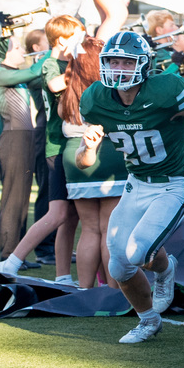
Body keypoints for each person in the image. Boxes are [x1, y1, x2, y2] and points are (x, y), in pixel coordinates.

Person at [78, 30, 184, 344]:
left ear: (144, 65)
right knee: (119, 266)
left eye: (127, 62)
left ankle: (166, 268)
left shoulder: (164, 90)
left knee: (139, 252)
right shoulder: (96, 98)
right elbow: (83, 162)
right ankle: (148, 320)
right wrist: (87, 148)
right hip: (136, 185)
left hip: (173, 185)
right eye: (113, 61)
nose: (118, 68)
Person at [59, 36, 127, 288]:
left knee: (88, 229)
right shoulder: (107, 90)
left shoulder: (68, 89)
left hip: (73, 159)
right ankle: (113, 291)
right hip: (107, 154)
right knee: (109, 229)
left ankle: (85, 290)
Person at [0, 32, 48, 263]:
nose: (23, 51)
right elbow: (35, 71)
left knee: (23, 200)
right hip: (13, 140)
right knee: (13, 200)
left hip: (25, 139)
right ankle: (8, 255)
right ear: (5, 52)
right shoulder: (3, 74)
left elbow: (40, 77)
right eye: (17, 48)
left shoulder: (17, 76)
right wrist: (53, 52)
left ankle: (18, 255)